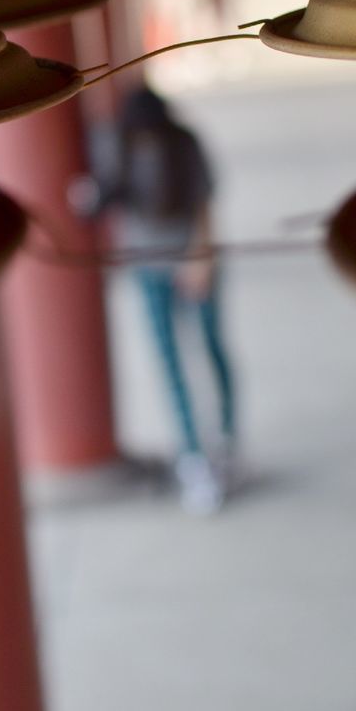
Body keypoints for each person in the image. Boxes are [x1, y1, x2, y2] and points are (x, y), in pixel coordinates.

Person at [70, 86, 236, 512]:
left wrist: (200, 255)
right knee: (170, 362)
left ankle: (228, 442)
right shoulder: (115, 146)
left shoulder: (184, 143)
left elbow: (204, 201)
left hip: (191, 259)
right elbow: (103, 196)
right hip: (147, 268)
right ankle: (193, 457)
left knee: (212, 349)